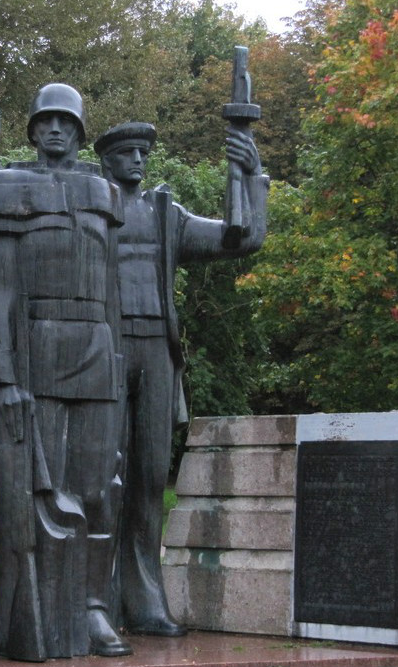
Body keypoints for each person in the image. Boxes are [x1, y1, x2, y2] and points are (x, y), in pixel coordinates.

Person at [0, 83, 131, 661]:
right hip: (38, 346)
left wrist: (116, 360)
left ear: (79, 131)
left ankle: (91, 608)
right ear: (34, 130)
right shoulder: (8, 190)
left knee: (97, 487)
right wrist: (5, 377)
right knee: (41, 490)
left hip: (96, 344)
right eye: (47, 121)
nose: (57, 130)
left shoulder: (100, 192)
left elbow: (112, 288)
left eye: (67, 121)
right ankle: (34, 612)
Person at [93, 121, 267, 636]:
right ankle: (95, 597)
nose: (138, 161)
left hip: (155, 351)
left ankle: (144, 595)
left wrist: (250, 175)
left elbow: (243, 238)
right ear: (106, 162)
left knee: (148, 478)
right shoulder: (90, 208)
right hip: (103, 349)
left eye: (143, 152)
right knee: (102, 477)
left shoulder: (168, 214)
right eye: (127, 153)